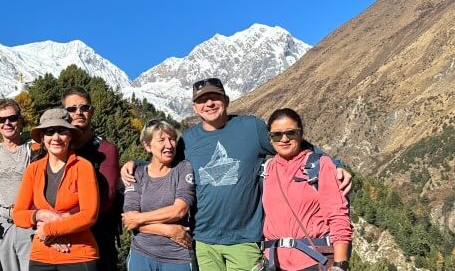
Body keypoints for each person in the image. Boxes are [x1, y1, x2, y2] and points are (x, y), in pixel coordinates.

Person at [121, 78, 353, 271]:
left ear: (226, 100)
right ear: (194, 107)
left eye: (215, 98)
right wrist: (136, 164)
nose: (209, 103)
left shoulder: (251, 128)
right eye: (202, 100)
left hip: (245, 239)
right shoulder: (188, 140)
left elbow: (290, 141)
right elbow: (165, 159)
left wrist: (334, 164)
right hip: (204, 241)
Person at [260, 108, 351, 271]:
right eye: (277, 135)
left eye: (291, 133)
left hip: (313, 261)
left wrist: (340, 264)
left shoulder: (319, 165)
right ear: (270, 138)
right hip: (274, 262)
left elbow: (338, 215)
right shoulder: (268, 170)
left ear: (301, 135)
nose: (284, 139)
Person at [12, 108, 100, 271]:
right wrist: (40, 214)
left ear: (70, 135)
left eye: (62, 131)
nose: (56, 138)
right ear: (42, 138)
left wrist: (49, 230)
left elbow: (89, 215)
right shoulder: (33, 169)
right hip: (42, 254)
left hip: (78, 254)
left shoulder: (83, 167)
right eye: (50, 132)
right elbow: (18, 215)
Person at [61, 86, 121, 271]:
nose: (78, 112)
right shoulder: (58, 150)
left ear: (91, 111)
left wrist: (65, 220)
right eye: (71, 109)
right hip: (62, 240)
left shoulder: (105, 150)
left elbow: (107, 197)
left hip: (97, 238)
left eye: (84, 107)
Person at [121, 120, 195, 271]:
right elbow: (129, 218)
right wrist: (168, 230)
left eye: (172, 139)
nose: (168, 145)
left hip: (177, 255)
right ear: (147, 146)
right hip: (141, 254)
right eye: (161, 140)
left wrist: (139, 219)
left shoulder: (183, 169)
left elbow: (179, 210)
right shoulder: (136, 174)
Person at [0, 99, 45, 271]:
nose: (7, 123)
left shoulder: (34, 151)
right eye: (1, 120)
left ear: (20, 120)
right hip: (3, 224)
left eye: (11, 118)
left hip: (29, 224)